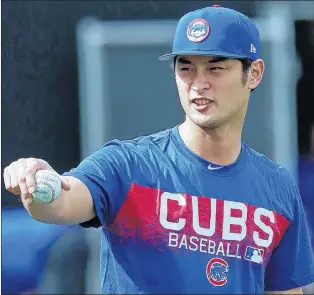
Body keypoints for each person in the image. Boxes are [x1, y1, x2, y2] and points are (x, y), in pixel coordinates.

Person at [3, 5, 314, 294]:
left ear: (254, 73)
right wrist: (38, 184)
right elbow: (62, 202)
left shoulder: (278, 187)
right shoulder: (126, 165)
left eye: (215, 68)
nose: (198, 83)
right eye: (186, 68)